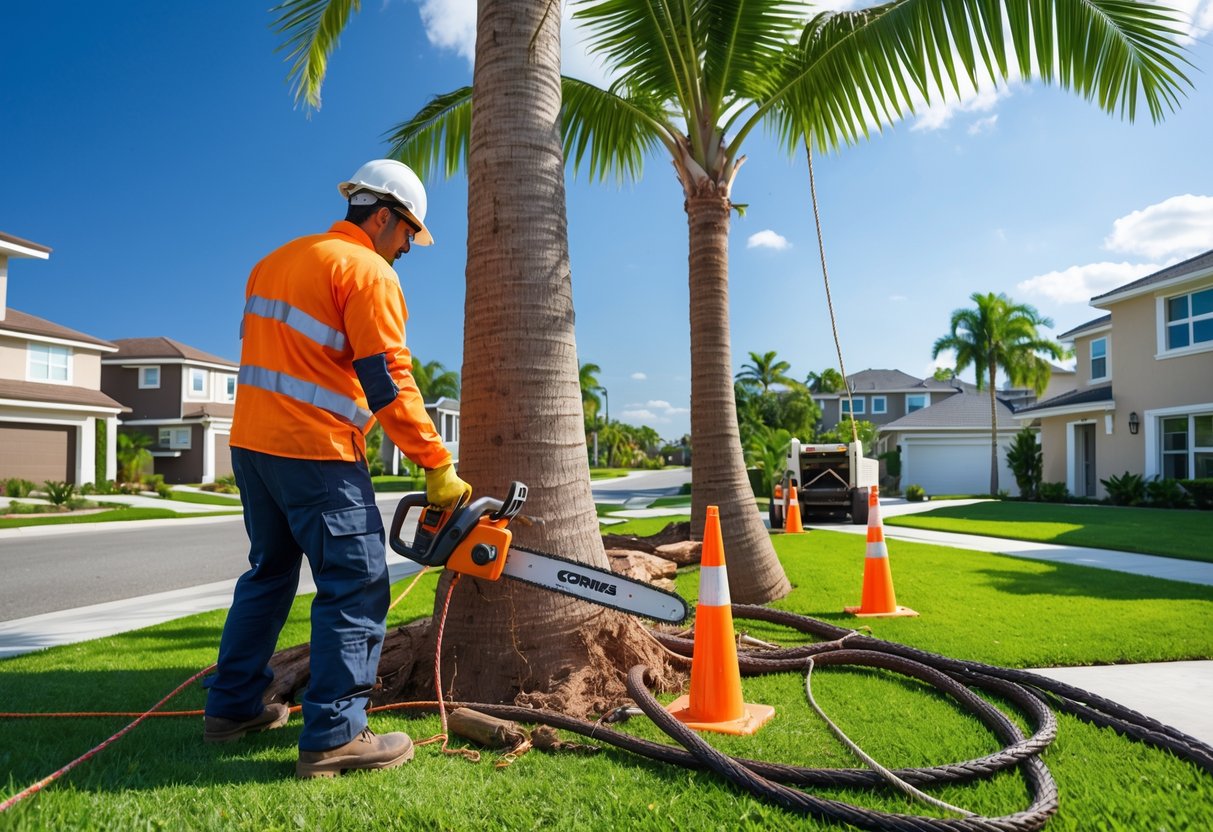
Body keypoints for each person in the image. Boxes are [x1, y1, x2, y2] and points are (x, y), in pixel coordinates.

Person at [202, 159, 471, 779]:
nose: (407, 248)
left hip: (252, 448)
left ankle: (233, 708)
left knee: (268, 575)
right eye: (408, 235)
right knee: (354, 584)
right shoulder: (366, 270)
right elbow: (388, 383)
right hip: (316, 450)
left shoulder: (273, 262)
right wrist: (437, 463)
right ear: (384, 217)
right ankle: (336, 736)